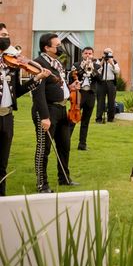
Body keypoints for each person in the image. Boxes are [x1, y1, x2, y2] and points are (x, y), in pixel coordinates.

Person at [0, 23, 49, 196]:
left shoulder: (11, 64)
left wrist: (37, 77)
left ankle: (2, 199)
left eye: (7, 34)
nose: (6, 38)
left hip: (7, 117)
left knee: (2, 163)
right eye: (2, 35)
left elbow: (18, 92)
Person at [32, 33, 81, 193]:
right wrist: (45, 117)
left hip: (61, 109)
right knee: (44, 148)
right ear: (46, 48)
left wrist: (70, 87)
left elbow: (59, 84)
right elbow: (38, 93)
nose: (60, 48)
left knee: (64, 145)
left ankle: (64, 178)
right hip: (48, 110)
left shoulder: (58, 63)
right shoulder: (38, 64)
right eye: (57, 45)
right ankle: (42, 184)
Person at [68, 47, 101, 150]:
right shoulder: (76, 65)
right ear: (82, 54)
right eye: (86, 53)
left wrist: (92, 69)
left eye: (90, 53)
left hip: (90, 94)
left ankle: (82, 144)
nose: (88, 55)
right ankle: (66, 141)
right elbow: (71, 78)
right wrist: (82, 69)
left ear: (92, 55)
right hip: (79, 93)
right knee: (73, 118)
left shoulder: (97, 65)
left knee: (86, 121)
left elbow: (100, 79)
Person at [95, 47, 120, 123]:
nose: (108, 54)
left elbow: (117, 71)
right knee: (100, 101)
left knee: (111, 101)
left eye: (109, 52)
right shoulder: (98, 61)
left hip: (110, 83)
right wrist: (102, 61)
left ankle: (111, 118)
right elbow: (96, 70)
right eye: (106, 52)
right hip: (101, 82)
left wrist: (112, 63)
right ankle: (99, 118)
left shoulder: (114, 61)